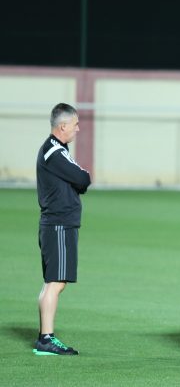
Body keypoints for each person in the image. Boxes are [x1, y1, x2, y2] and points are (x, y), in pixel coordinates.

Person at [33, 103, 92, 356]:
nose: (78, 129)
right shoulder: (53, 152)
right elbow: (82, 178)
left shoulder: (57, 150)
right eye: (76, 124)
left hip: (58, 223)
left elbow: (78, 180)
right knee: (56, 282)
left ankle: (45, 337)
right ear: (63, 126)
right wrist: (81, 179)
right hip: (58, 224)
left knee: (53, 282)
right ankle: (46, 338)